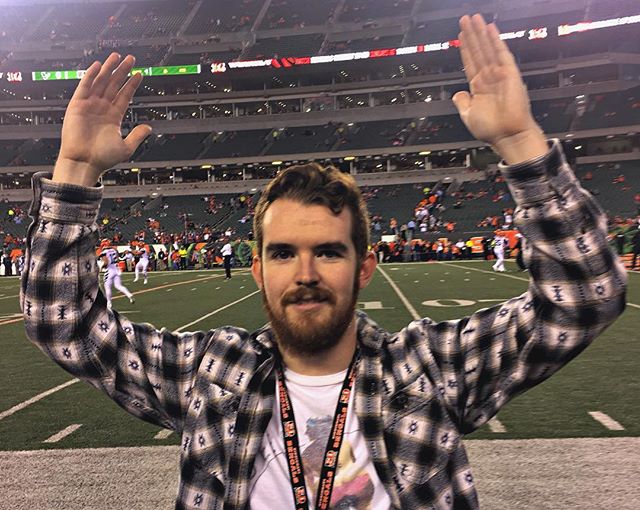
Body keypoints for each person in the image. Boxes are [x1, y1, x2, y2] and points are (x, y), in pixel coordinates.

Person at [20, 15, 626, 510]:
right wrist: (76, 169)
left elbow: (585, 296)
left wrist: (520, 140)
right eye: (283, 253)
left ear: (364, 268)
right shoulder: (210, 374)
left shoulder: (428, 370)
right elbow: (62, 322)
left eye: (328, 251)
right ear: (258, 270)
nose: (304, 273)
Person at [99, 243, 135, 310]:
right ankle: (129, 295)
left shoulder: (103, 252)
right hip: (116, 269)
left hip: (110, 270)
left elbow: (106, 262)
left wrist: (101, 267)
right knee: (118, 286)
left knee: (107, 287)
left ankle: (109, 303)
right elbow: (118, 260)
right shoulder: (114, 251)